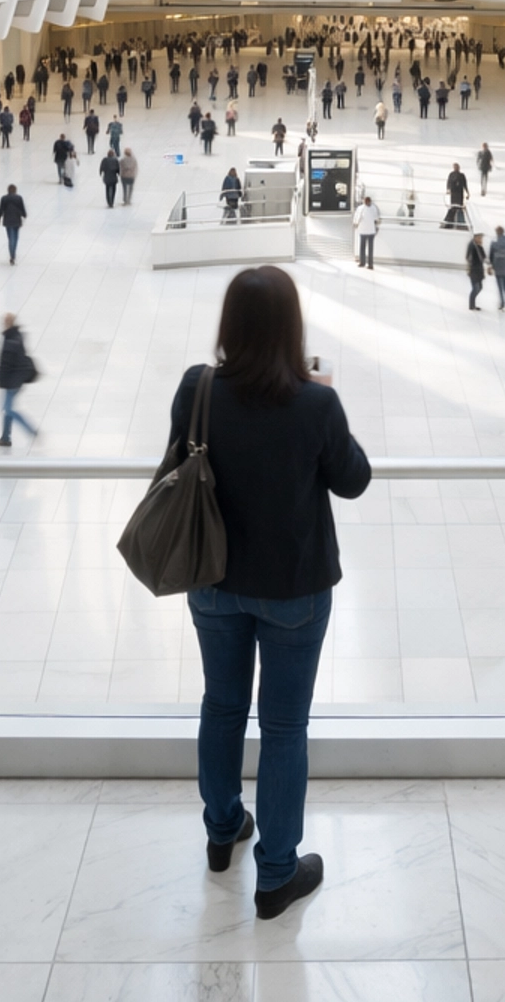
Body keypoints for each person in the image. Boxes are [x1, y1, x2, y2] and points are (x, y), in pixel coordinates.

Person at [170, 266, 370, 918]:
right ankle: (276, 874)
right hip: (293, 591)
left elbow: (178, 464)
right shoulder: (315, 403)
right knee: (284, 728)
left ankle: (222, 831)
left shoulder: (197, 388)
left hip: (213, 578)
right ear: (291, 328)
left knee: (221, 707)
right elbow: (353, 480)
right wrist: (325, 397)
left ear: (229, 325)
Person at [0, 313, 39, 445]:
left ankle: (31, 430)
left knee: (8, 409)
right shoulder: (16, 336)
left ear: (7, 323)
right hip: (16, 380)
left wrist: (2, 381)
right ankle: (6, 438)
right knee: (7, 410)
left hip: (12, 381)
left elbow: (6, 364)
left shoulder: (10, 340)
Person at [0, 184, 27, 261]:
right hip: (17, 219)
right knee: (16, 237)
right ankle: (13, 253)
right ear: (15, 190)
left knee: (10, 238)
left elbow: (1, 209)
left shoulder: (4, 198)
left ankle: (12, 255)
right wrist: (24, 215)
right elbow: (22, 208)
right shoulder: (19, 198)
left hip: (7, 220)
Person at [353, 190, 380, 269]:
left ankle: (363, 262)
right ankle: (369, 264)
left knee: (363, 247)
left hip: (364, 230)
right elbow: (376, 218)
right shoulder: (373, 208)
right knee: (369, 248)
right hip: (370, 231)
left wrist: (355, 224)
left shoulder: (361, 208)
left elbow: (357, 217)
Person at [465, 228, 488, 310]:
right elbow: (469, 258)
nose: (481, 239)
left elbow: (484, 257)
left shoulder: (478, 246)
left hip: (478, 270)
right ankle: (471, 305)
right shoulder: (472, 246)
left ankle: (473, 305)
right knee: (476, 288)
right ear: (475, 237)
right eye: (480, 237)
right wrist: (470, 267)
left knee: (479, 287)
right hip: (474, 270)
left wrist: (480, 246)